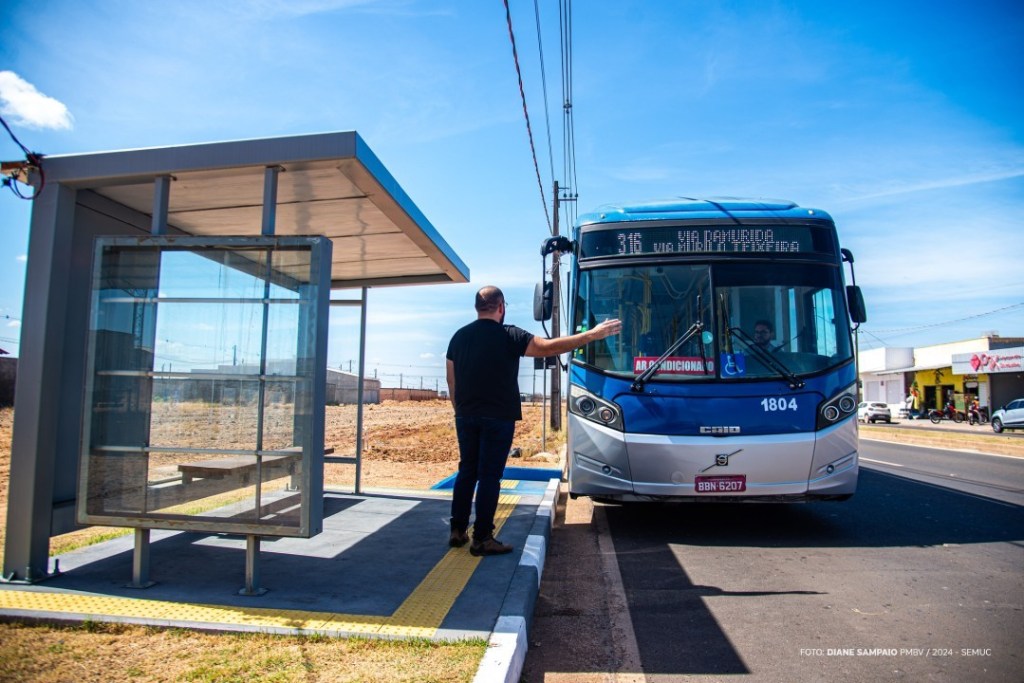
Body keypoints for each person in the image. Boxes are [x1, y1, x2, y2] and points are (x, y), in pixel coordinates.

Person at [446, 286, 621, 556]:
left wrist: (460, 409)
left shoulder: (458, 337)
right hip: (498, 417)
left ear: (477, 308)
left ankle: (457, 531)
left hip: (466, 416)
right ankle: (482, 538)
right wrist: (592, 335)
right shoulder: (510, 334)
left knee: (467, 471)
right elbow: (549, 347)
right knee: (490, 476)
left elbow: (451, 380)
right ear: (501, 307)